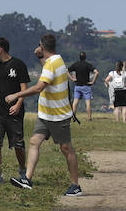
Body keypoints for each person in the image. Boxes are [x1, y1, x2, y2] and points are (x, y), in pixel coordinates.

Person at [5, 34, 82, 195]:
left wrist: (17, 95)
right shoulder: (56, 60)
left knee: (66, 148)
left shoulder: (51, 65)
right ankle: (27, 178)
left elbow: (39, 87)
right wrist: (40, 57)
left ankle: (75, 185)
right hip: (46, 114)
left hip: (58, 115)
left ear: (42, 46)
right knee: (34, 141)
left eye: (39, 46)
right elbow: (47, 72)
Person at [0, 36, 30, 184]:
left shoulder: (18, 65)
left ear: (0, 49)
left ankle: (22, 169)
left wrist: (18, 104)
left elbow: (24, 89)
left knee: (18, 144)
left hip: (14, 112)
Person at [69, 49, 99, 120]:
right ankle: (89, 117)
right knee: (87, 102)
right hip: (86, 85)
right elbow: (97, 72)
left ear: (79, 57)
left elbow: (67, 70)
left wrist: (72, 78)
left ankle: (73, 116)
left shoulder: (76, 64)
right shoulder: (88, 65)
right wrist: (93, 81)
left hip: (78, 86)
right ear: (85, 57)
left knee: (75, 102)